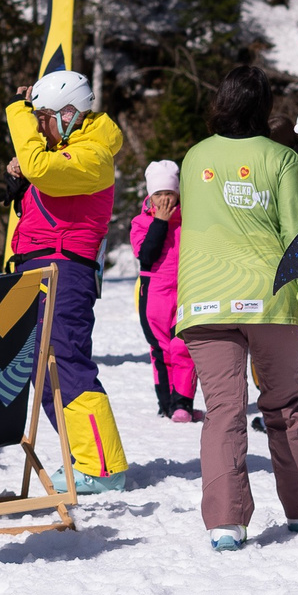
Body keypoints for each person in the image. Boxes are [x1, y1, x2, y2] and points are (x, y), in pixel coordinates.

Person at [179, 66, 298, 550]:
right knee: (284, 405)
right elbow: (297, 232)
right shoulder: (282, 158)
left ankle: (225, 521)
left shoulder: (195, 157)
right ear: (264, 106)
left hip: (204, 298)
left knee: (222, 410)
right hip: (269, 297)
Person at [5, 68, 129, 493]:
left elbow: (41, 167)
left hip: (64, 268)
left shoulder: (94, 154)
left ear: (71, 113)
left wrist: (19, 114)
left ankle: (102, 466)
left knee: (65, 363)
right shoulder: (69, 149)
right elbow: (43, 178)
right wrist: (21, 185)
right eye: (37, 118)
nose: (39, 127)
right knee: (43, 370)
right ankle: (85, 455)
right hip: (42, 264)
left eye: (43, 118)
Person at [131, 161, 196, 422]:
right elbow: (146, 256)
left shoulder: (189, 221)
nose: (165, 200)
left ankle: (183, 404)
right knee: (161, 349)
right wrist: (160, 222)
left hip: (187, 289)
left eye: (170, 193)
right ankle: (166, 404)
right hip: (155, 292)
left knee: (184, 345)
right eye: (159, 194)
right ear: (150, 196)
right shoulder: (140, 222)